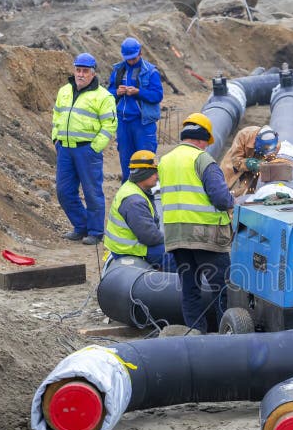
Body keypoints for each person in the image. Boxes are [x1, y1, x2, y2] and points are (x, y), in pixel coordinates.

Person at [159, 113, 234, 333]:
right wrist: (232, 200)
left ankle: (195, 335)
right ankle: (226, 336)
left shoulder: (165, 161)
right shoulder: (202, 160)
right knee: (223, 289)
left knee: (190, 290)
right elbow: (221, 199)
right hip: (205, 236)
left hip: (176, 236)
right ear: (202, 139)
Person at [52, 52, 117, 245]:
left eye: (85, 71)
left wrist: (95, 147)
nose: (80, 74)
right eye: (78, 70)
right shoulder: (64, 91)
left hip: (87, 151)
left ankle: (96, 232)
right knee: (64, 192)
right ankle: (81, 226)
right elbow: (56, 116)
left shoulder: (103, 96)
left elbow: (110, 125)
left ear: (93, 73)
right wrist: (55, 138)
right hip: (65, 150)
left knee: (92, 192)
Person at [104, 150, 176, 270]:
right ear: (143, 174)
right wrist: (173, 240)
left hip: (129, 245)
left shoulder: (132, 188)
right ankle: (178, 285)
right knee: (175, 256)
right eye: (154, 172)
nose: (158, 176)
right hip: (130, 249)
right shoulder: (134, 201)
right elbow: (149, 237)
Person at [107, 37, 163, 183]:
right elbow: (109, 92)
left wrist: (138, 92)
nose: (131, 61)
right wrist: (116, 92)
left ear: (140, 53)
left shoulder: (150, 72)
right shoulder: (119, 70)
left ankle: (149, 196)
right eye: (128, 59)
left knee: (147, 163)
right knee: (126, 162)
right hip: (123, 123)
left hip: (143, 124)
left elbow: (157, 95)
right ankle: (128, 194)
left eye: (133, 58)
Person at [219, 125, 280, 194]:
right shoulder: (244, 135)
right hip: (234, 162)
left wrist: (264, 166)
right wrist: (251, 163)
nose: (267, 149)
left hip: (253, 169)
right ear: (258, 142)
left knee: (246, 191)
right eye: (265, 148)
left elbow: (271, 161)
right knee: (220, 187)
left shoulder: (276, 146)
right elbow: (236, 161)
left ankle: (234, 198)